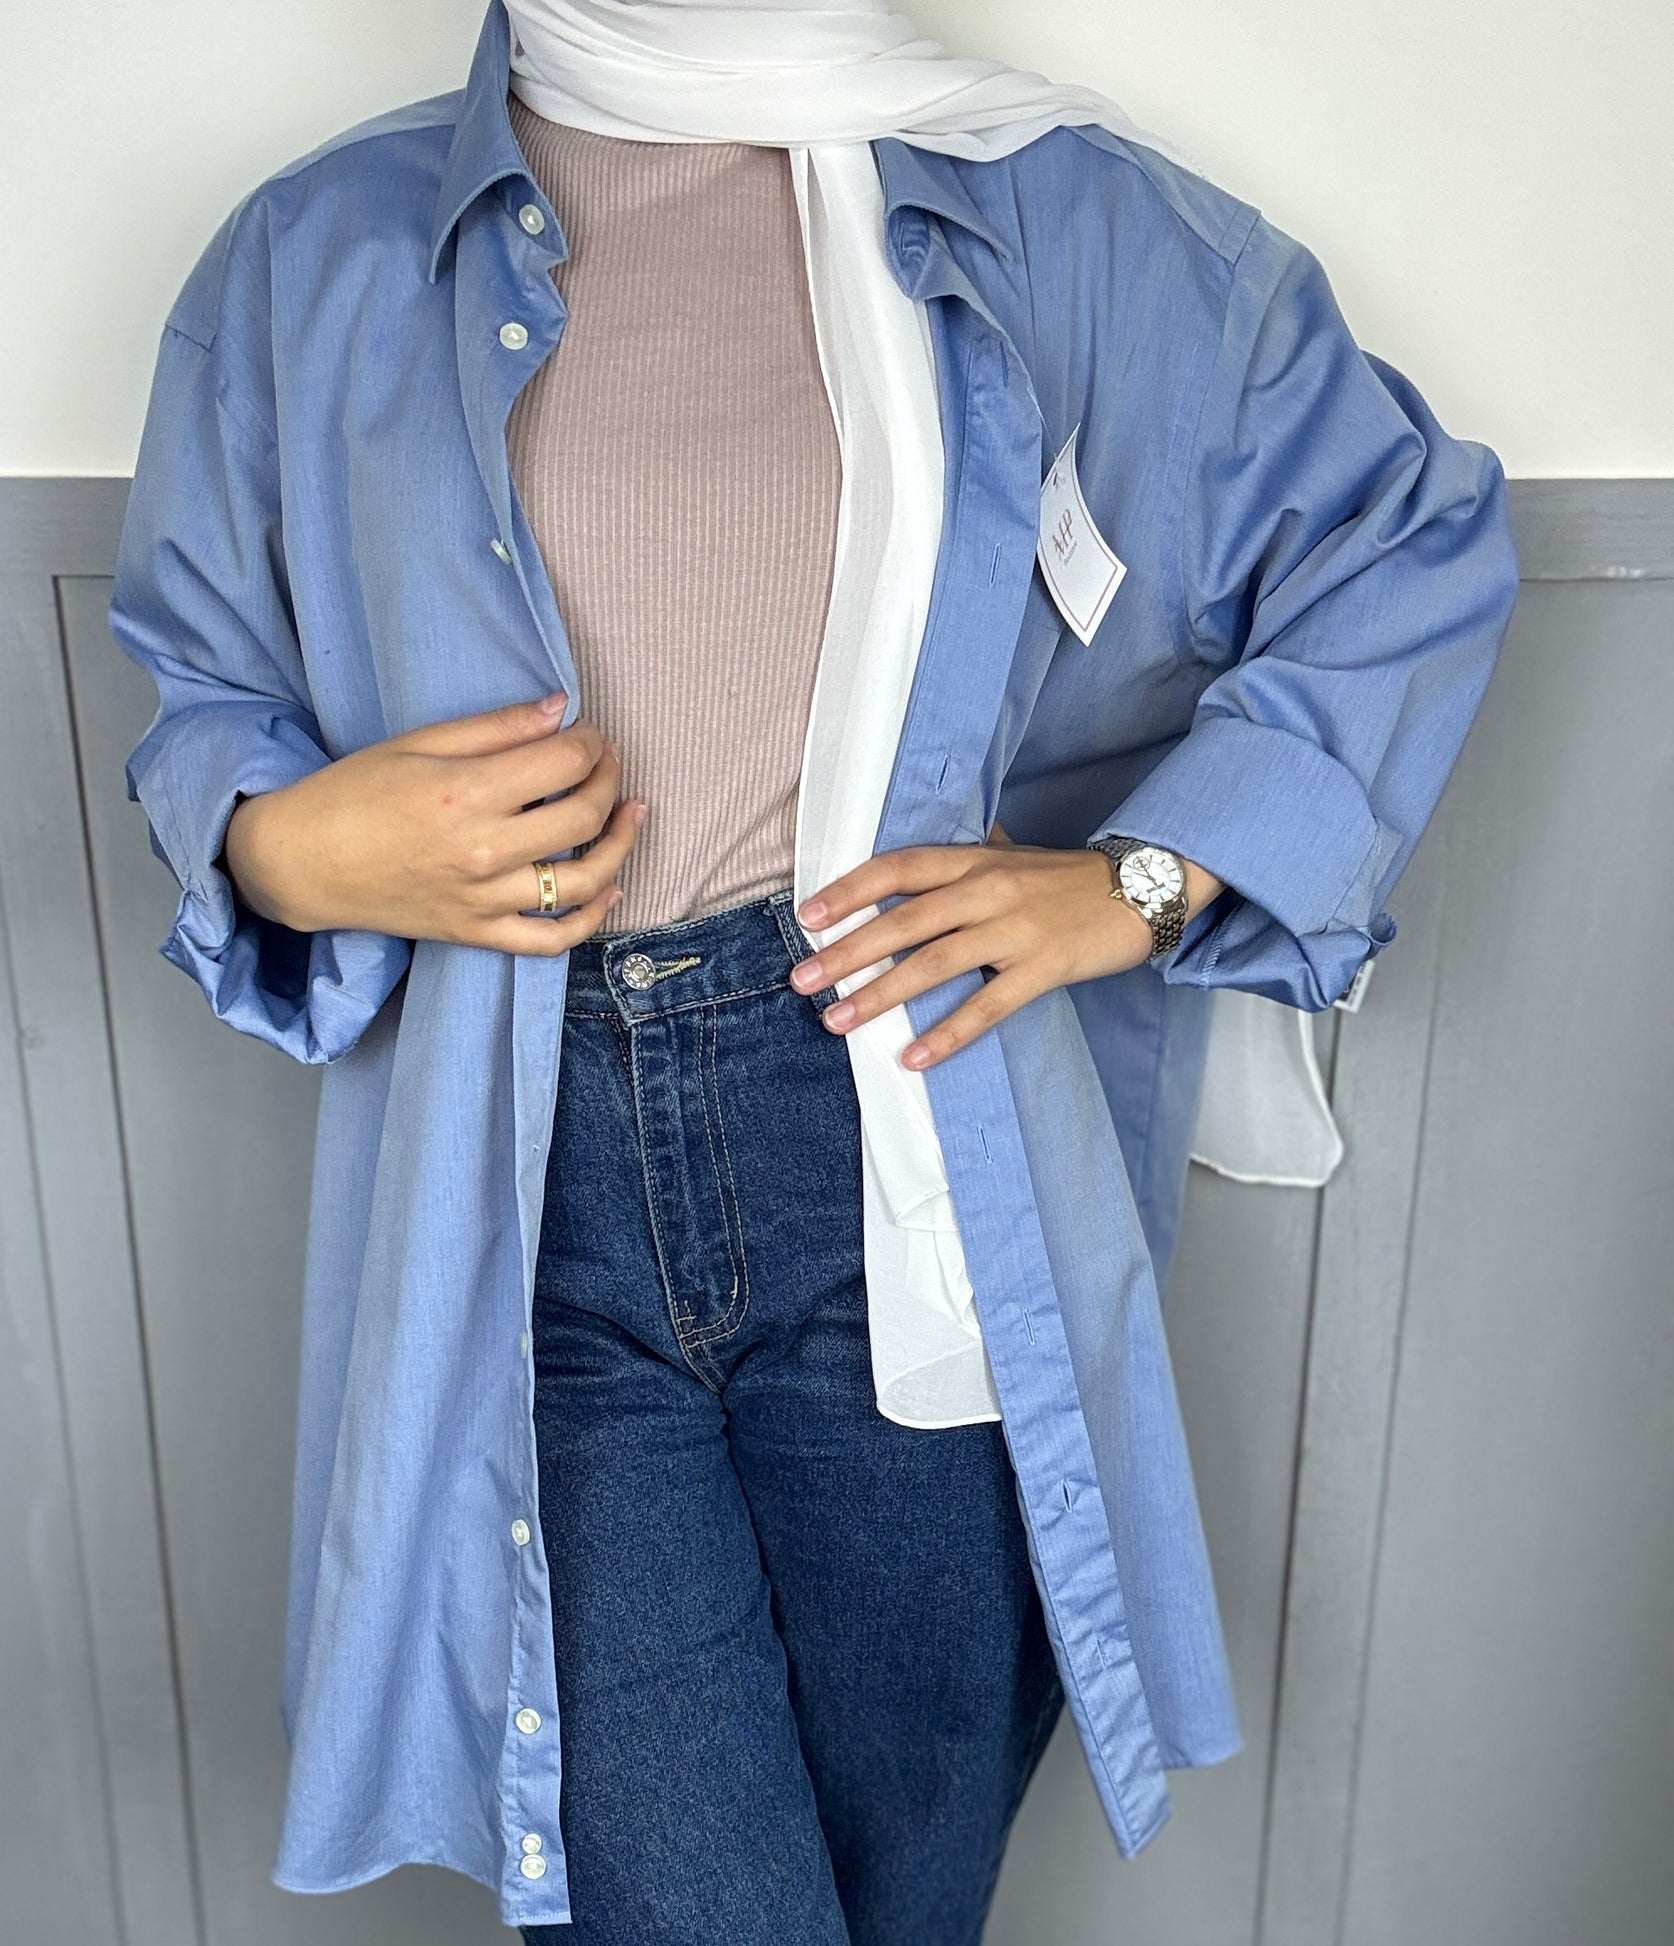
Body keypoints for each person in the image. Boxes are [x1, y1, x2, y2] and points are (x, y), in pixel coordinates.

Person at [108, 2, 1522, 1940]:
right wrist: (286, 847)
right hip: (520, 1196)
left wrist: (1139, 881)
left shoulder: (1057, 217)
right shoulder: (316, 255)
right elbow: (202, 681)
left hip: (906, 1157)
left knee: (897, 1900)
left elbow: (1407, 540)